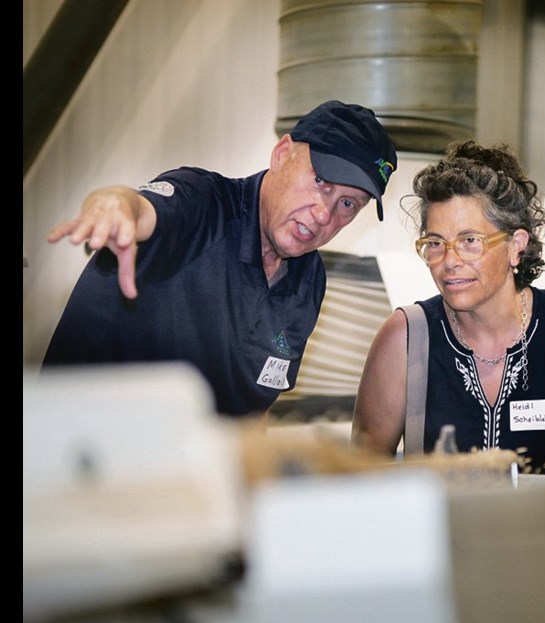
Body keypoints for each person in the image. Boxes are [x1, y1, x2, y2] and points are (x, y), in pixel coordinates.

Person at [41, 100, 398, 418]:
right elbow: (140, 207)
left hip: (189, 480)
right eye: (321, 180)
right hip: (81, 458)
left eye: (348, 204)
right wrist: (114, 206)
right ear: (281, 153)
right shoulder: (203, 204)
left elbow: (251, 414)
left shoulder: (309, 279)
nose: (324, 213)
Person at [351, 140, 545, 473]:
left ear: (516, 246)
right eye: (435, 243)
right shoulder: (405, 337)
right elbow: (359, 479)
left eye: (469, 241)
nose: (450, 261)